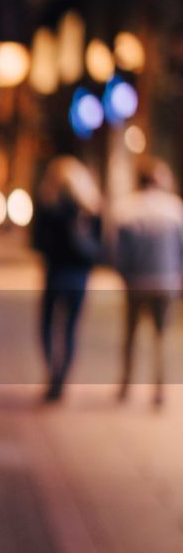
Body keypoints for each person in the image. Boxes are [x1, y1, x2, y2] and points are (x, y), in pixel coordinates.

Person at [31, 154, 104, 402]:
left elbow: (37, 242)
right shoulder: (89, 209)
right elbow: (99, 247)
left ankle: (54, 373)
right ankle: (61, 377)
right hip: (79, 276)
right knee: (71, 328)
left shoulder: (49, 206)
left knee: (47, 326)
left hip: (56, 274)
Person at [113, 156, 183, 407]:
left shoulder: (127, 209)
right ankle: (160, 389)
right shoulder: (175, 209)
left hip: (136, 282)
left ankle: (125, 385)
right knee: (161, 337)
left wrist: (124, 275)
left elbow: (119, 252)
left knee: (131, 336)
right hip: (166, 282)